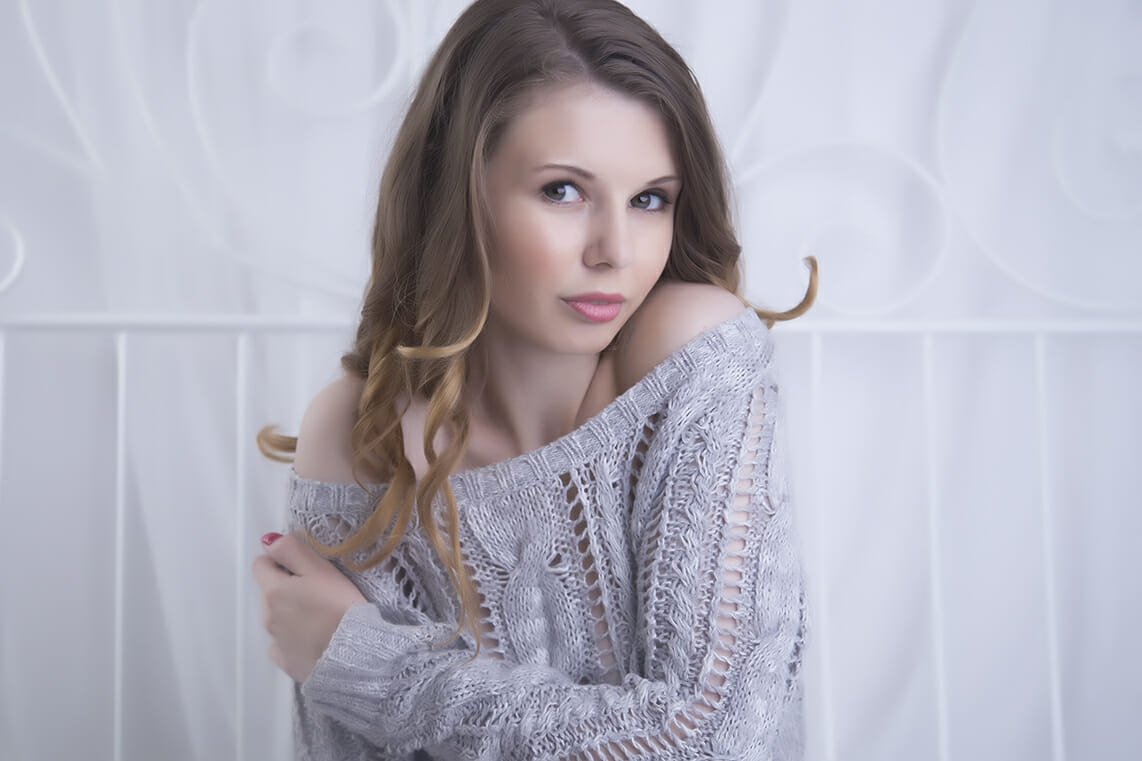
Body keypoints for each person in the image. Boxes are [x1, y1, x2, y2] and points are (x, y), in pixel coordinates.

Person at [251, 0, 816, 758]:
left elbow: (709, 738)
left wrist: (362, 661)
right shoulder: (362, 441)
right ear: (457, 193)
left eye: (650, 198)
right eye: (563, 190)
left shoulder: (691, 357)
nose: (615, 248)